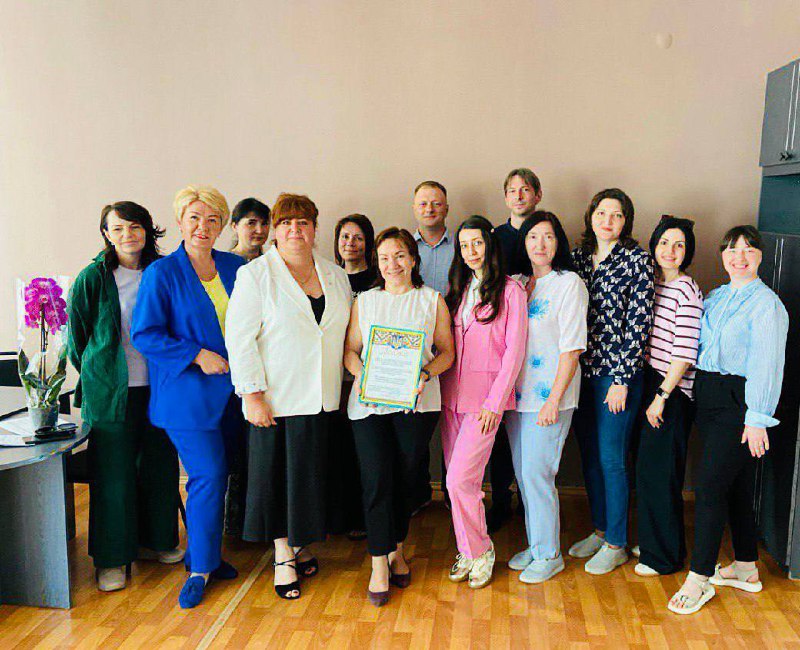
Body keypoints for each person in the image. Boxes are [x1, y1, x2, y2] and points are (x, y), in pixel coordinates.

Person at [226, 194, 352, 601]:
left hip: (323, 396)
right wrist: (252, 395)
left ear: (315, 229)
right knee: (277, 478)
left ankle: (300, 545)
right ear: (275, 231)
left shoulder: (336, 275)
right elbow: (239, 340)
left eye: (303, 223)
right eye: (286, 223)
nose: (295, 230)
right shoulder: (255, 275)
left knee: (309, 478)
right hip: (275, 398)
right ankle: (282, 555)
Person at [131, 185, 245, 608]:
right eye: (194, 217)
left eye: (213, 219)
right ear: (180, 222)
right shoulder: (161, 273)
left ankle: (206, 556)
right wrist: (197, 354)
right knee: (208, 475)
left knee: (219, 476)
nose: (203, 226)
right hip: (186, 397)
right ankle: (199, 571)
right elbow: (145, 334)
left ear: (223, 226)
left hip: (236, 394)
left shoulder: (236, 266)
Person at [668, 225, 788, 615]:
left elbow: (767, 365)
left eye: (748, 250)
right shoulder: (716, 297)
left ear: (760, 256)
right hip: (708, 397)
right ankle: (746, 566)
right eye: (732, 249)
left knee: (709, 488)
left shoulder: (767, 305)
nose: (739, 257)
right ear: (722, 255)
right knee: (734, 485)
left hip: (740, 403)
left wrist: (757, 418)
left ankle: (699, 579)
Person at [67, 201, 182, 593]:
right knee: (112, 476)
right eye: (117, 229)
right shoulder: (93, 277)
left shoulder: (164, 271)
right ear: (106, 234)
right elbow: (77, 339)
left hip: (159, 388)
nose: (127, 235)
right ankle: (112, 558)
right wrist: (100, 373)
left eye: (134, 227)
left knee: (159, 466)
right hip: (110, 392)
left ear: (147, 230)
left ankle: (156, 542)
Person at [344, 227, 454, 606]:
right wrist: (365, 374)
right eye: (385, 257)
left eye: (400, 256)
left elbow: (447, 353)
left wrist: (424, 373)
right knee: (376, 480)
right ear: (377, 262)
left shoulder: (431, 300)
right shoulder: (366, 301)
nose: (392, 264)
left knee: (406, 481)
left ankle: (397, 550)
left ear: (413, 259)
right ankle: (379, 564)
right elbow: (350, 351)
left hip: (417, 405)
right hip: (369, 405)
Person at [569, 188, 654, 575]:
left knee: (611, 458)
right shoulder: (577, 259)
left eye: (617, 215)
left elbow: (639, 324)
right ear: (591, 216)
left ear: (626, 221)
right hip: (580, 373)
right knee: (589, 458)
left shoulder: (637, 260)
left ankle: (617, 542)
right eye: (602, 213)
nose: (608, 221)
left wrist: (622, 379)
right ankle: (601, 530)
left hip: (616, 376)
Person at [440, 215, 527, 589]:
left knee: (461, 479)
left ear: (489, 244)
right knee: (456, 483)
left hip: (484, 402)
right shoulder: (458, 289)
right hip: (450, 398)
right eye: (464, 245)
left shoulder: (511, 291)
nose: (471, 251)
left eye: (477, 243)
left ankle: (481, 550)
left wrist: (495, 402)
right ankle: (467, 549)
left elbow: (514, 352)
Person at [505, 211, 588, 584]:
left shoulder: (569, 284)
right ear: (523, 242)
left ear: (559, 242)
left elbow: (572, 348)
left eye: (548, 236)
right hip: (516, 397)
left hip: (551, 396)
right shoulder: (519, 284)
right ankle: (537, 543)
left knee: (539, 474)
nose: (540, 244)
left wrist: (553, 400)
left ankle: (549, 555)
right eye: (533, 236)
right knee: (524, 475)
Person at [634, 217, 703, 578]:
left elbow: (684, 353)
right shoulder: (656, 283)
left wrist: (661, 395)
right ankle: (655, 543)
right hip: (651, 382)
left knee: (661, 474)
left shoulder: (687, 291)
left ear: (687, 252)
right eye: (664, 242)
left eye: (679, 245)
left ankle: (663, 558)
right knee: (648, 469)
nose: (670, 251)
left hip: (671, 392)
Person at [488, 168, 543, 533]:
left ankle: (529, 500)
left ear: (537, 195)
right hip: (501, 341)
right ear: (506, 196)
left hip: (539, 345)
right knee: (498, 429)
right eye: (512, 190)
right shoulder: (496, 237)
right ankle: (500, 499)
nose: (519, 195)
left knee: (529, 430)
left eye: (526, 190)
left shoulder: (546, 233)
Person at [224, 197, 271, 537]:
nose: (258, 230)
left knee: (259, 452)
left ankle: (259, 524)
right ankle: (233, 525)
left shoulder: (273, 265)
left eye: (263, 223)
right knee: (233, 452)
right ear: (234, 226)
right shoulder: (221, 265)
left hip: (267, 375)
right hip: (228, 373)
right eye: (250, 222)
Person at [330, 214, 377, 540]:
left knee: (363, 450)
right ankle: (338, 516)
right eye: (345, 237)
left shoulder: (378, 280)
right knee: (337, 450)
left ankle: (363, 517)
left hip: (366, 378)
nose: (350, 243)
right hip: (332, 378)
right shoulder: (327, 279)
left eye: (358, 237)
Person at [411, 180, 455, 511]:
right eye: (423, 203)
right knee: (417, 423)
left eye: (436, 203)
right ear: (414, 209)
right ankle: (419, 492)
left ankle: (455, 494)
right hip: (415, 349)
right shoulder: (404, 248)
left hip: (457, 343)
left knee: (454, 421)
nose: (430, 209)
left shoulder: (462, 246)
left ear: (446, 209)